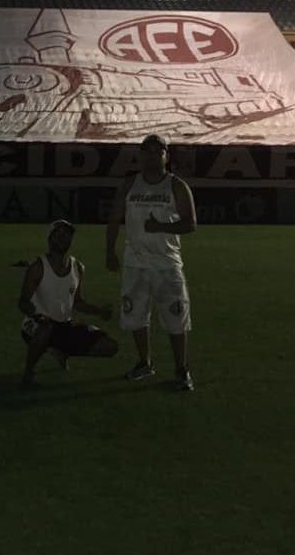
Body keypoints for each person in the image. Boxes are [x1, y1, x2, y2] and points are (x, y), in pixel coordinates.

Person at [105, 133, 197, 391]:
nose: (151, 156)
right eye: (147, 151)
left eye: (158, 152)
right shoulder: (129, 185)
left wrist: (161, 226)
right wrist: (109, 252)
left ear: (166, 156)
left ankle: (182, 370)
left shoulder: (176, 186)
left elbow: (191, 224)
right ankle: (144, 362)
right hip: (135, 263)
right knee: (135, 315)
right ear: (140, 155)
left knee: (176, 317)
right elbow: (114, 219)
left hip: (167, 265)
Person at [18, 220, 117, 388]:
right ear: (50, 239)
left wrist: (100, 311)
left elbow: (77, 302)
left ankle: (60, 349)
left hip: (64, 325)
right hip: (36, 325)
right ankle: (29, 372)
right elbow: (23, 302)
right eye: (59, 234)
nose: (63, 239)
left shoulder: (77, 267)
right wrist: (36, 314)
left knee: (109, 346)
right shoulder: (38, 267)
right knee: (45, 329)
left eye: (67, 235)